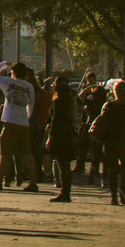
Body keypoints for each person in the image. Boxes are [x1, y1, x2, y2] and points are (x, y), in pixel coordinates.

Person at [0, 62, 39, 192]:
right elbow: (31, 105)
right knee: (27, 154)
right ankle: (33, 182)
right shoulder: (29, 86)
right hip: (23, 123)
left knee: (4, 154)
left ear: (13, 72)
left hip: (10, 122)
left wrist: (4, 65)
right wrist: (27, 117)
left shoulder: (8, 83)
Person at [94, 80, 125, 205]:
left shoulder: (108, 105)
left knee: (112, 169)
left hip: (109, 141)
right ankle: (123, 189)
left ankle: (113, 195)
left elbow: (102, 122)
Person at [45, 74, 79, 203]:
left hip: (59, 135)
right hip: (68, 134)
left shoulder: (58, 101)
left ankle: (65, 193)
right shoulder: (69, 99)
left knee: (63, 165)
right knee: (65, 166)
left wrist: (50, 137)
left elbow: (55, 120)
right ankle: (65, 191)